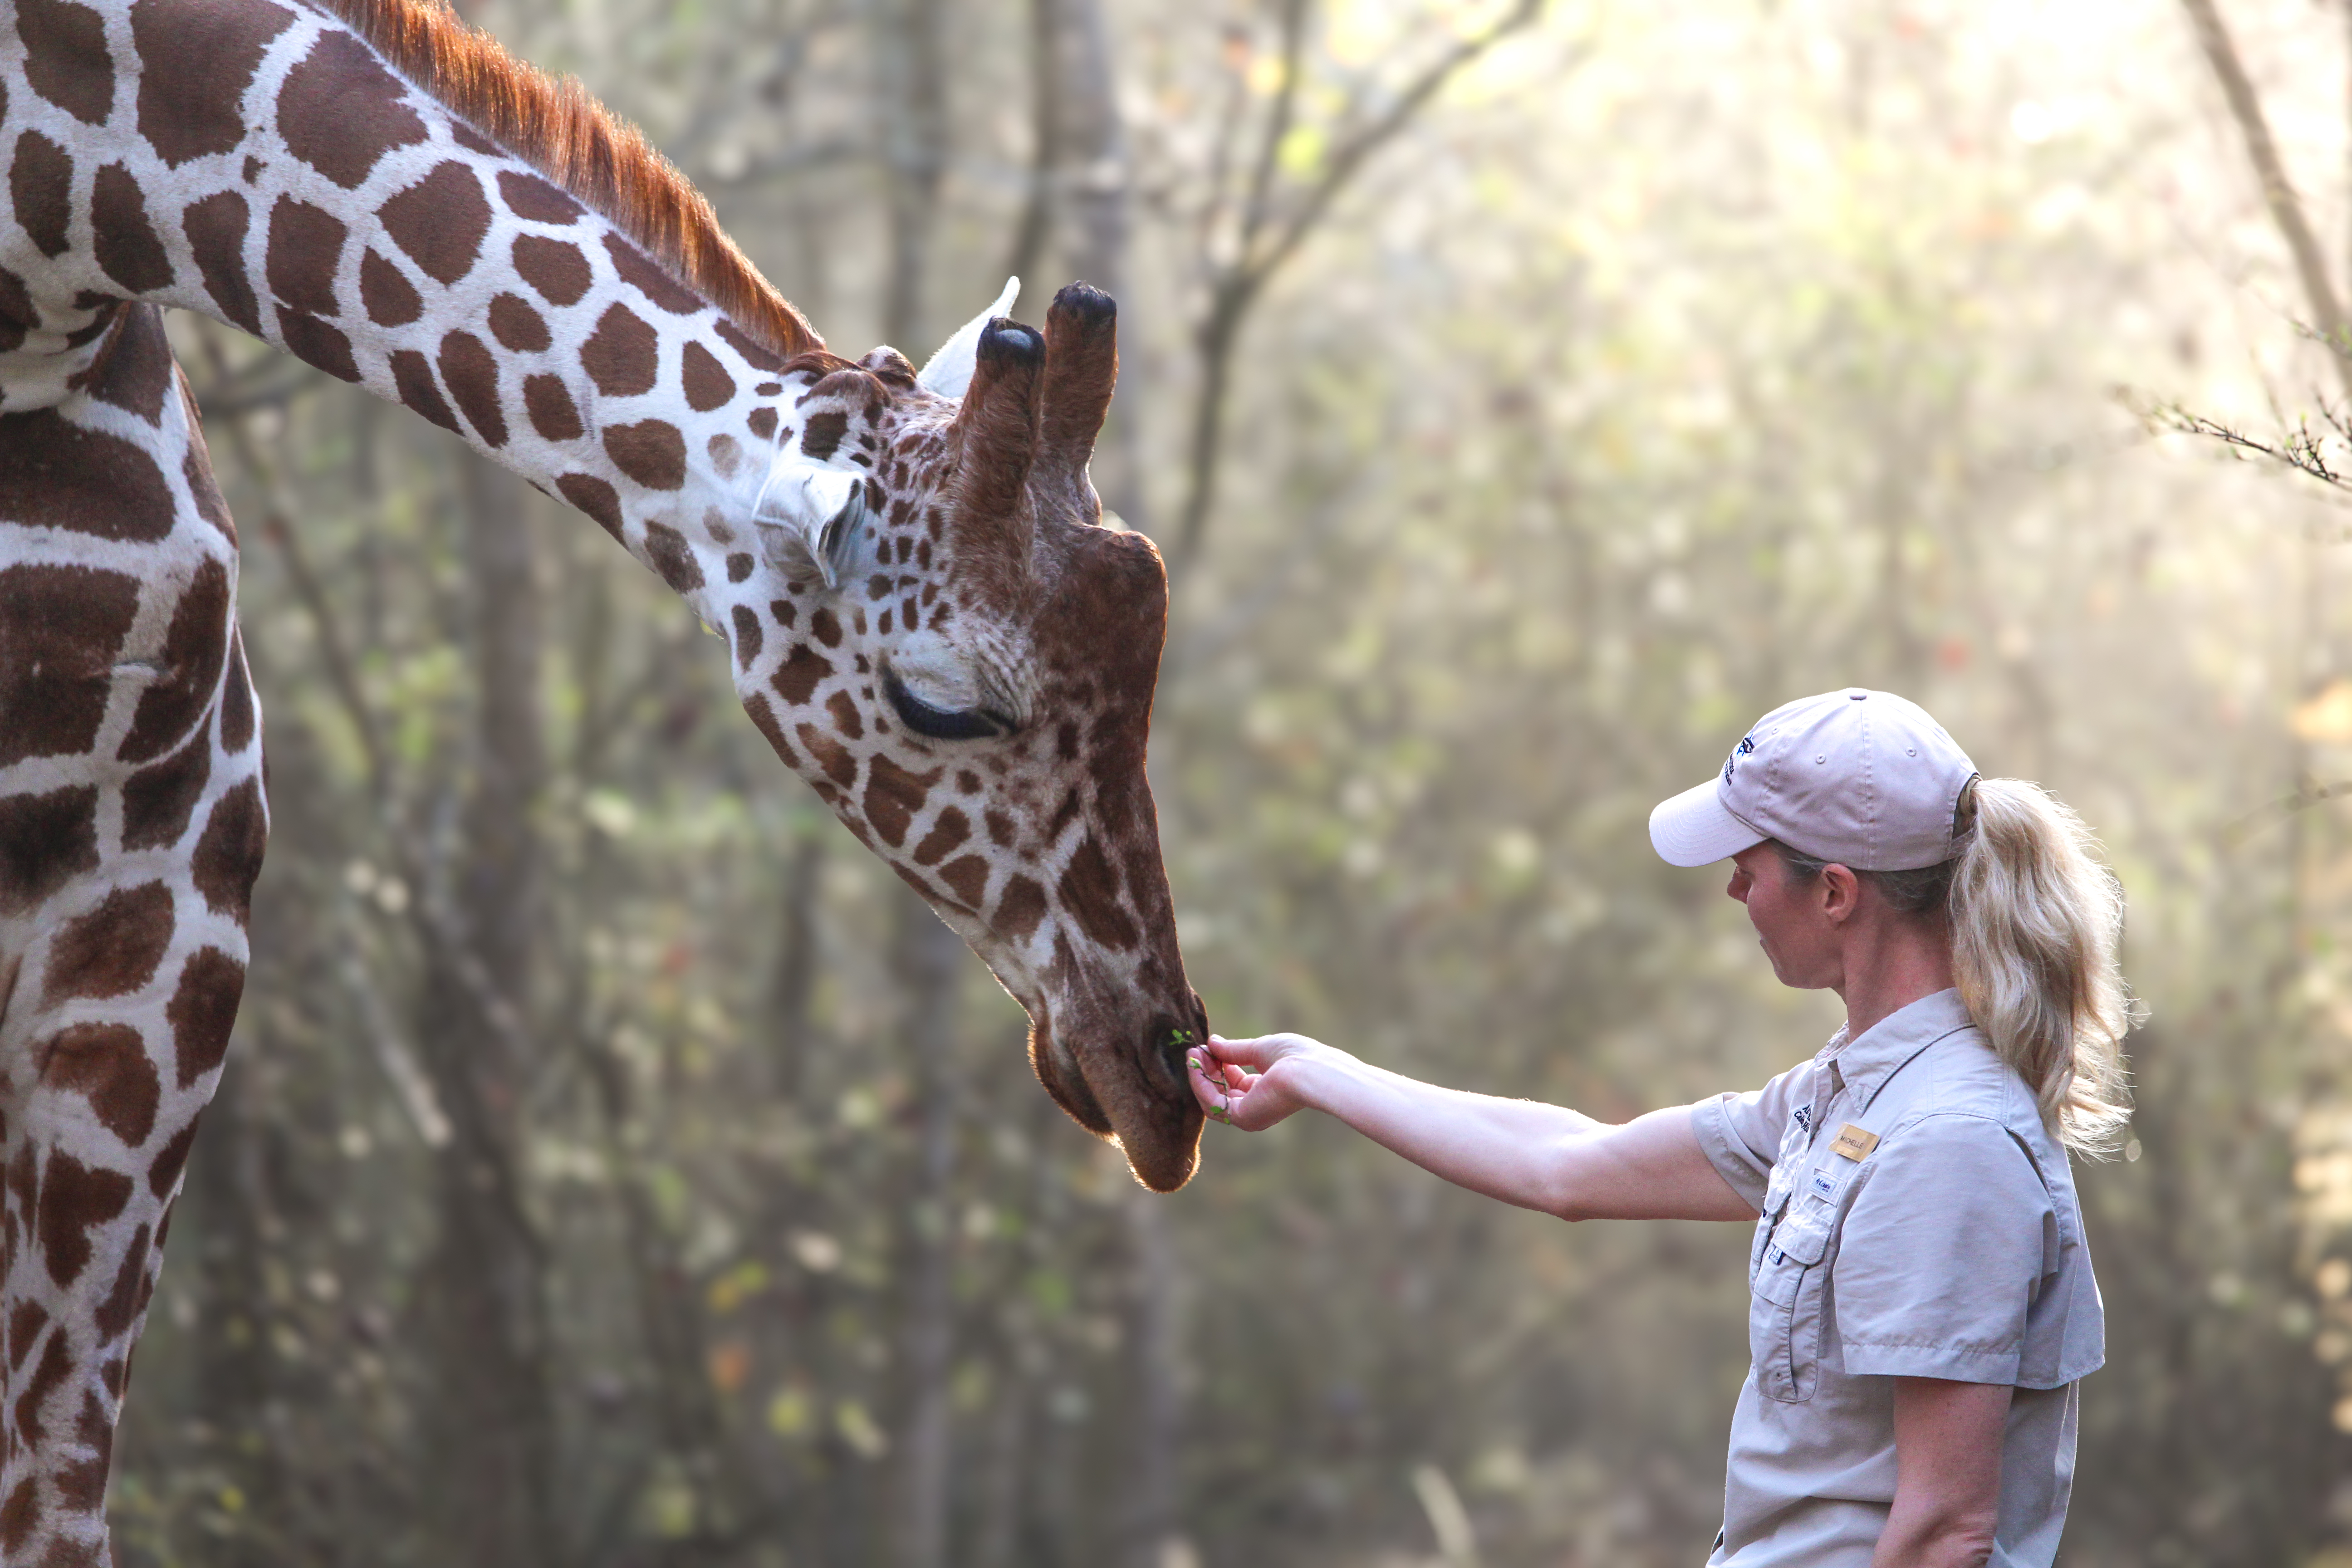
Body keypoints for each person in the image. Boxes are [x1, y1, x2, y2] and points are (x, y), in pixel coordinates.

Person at [1186, 688, 2131, 1568]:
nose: (1734, 894)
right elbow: (1569, 1165)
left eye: (1748, 867)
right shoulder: (1844, 1097)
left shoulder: (1945, 1142)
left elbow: (1942, 1534)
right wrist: (1320, 1075)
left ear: (1836, 893)